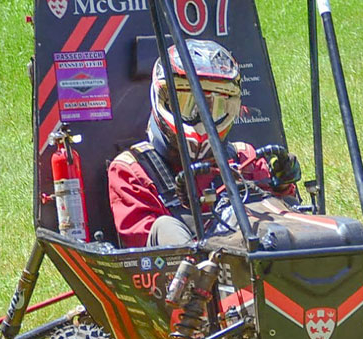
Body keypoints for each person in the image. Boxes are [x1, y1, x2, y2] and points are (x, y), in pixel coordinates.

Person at [107, 39, 300, 248]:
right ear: (163, 99)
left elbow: (283, 217)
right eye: (188, 105)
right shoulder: (133, 170)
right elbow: (142, 252)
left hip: (255, 267)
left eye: (214, 108)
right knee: (166, 227)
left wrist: (282, 185)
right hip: (185, 273)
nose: (202, 119)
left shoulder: (245, 159)